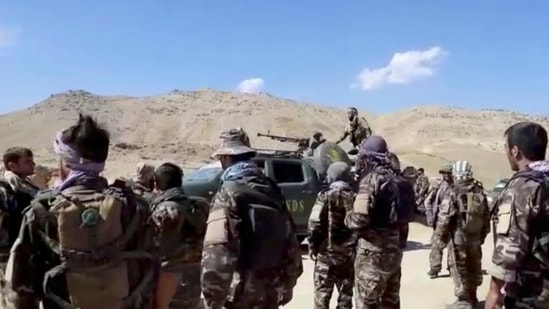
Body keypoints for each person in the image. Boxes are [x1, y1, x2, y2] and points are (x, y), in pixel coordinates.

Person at [0, 114, 157, 309]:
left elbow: (20, 285)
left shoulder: (42, 210)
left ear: (66, 163)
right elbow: (150, 269)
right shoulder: (135, 207)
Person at [201, 128, 303, 309]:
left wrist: (213, 299)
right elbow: (292, 244)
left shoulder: (228, 192)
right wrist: (286, 286)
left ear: (225, 158)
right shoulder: (272, 189)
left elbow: (217, 253)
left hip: (241, 293)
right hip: (271, 290)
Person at [485, 122, 549, 309]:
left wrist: (494, 292)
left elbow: (509, 248)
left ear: (515, 151)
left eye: (506, 148)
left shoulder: (522, 188)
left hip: (534, 291)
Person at [345, 135, 402, 308]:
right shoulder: (397, 180)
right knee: (390, 303)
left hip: (372, 254)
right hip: (394, 251)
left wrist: (348, 216)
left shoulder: (371, 180)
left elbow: (359, 219)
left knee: (366, 302)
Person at [150, 162, 208, 309]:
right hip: (194, 280)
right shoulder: (198, 206)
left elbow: (160, 250)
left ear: (156, 184)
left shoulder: (164, 210)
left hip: (168, 284)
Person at [435, 160, 490, 308]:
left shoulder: (453, 191)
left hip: (459, 238)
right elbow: (486, 217)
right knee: (474, 266)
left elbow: (444, 218)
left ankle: (463, 302)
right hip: (475, 238)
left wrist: (439, 238)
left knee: (459, 268)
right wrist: (481, 236)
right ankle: (473, 297)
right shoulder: (479, 190)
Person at [308, 161, 356, 309]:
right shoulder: (355, 198)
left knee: (322, 298)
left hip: (326, 256)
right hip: (348, 257)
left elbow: (314, 223)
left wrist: (312, 246)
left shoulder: (324, 196)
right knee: (345, 297)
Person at [425, 164, 454, 279]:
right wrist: (430, 217)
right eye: (444, 173)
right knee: (436, 245)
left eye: (448, 173)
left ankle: (452, 269)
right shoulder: (438, 187)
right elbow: (428, 201)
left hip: (453, 222)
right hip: (439, 221)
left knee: (453, 247)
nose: (446, 175)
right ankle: (435, 268)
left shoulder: (457, 187)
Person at [388, 152, 416, 250]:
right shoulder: (405, 182)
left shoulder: (388, 180)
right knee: (404, 224)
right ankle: (402, 242)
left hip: (396, 212)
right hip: (403, 212)